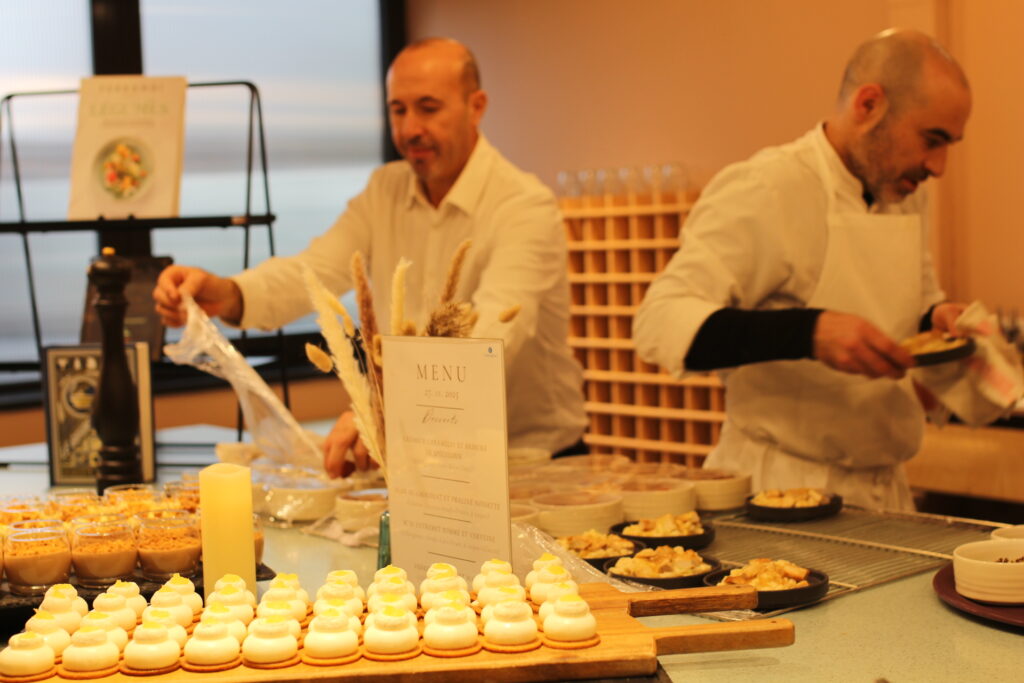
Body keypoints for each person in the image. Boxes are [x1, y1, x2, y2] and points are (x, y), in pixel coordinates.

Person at [153, 38, 587, 477]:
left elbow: (493, 338)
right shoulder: (385, 191)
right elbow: (314, 271)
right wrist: (227, 293)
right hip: (420, 459)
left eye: (428, 107)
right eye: (398, 110)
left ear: (476, 106)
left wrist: (382, 412)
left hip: (531, 462)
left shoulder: (525, 206)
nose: (410, 128)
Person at [633, 29, 972, 510]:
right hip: (779, 484)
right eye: (931, 139)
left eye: (949, 145)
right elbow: (659, 322)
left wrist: (933, 319)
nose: (938, 166)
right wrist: (810, 331)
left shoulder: (905, 193)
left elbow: (907, 298)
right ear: (868, 104)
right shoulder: (768, 188)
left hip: (884, 488)